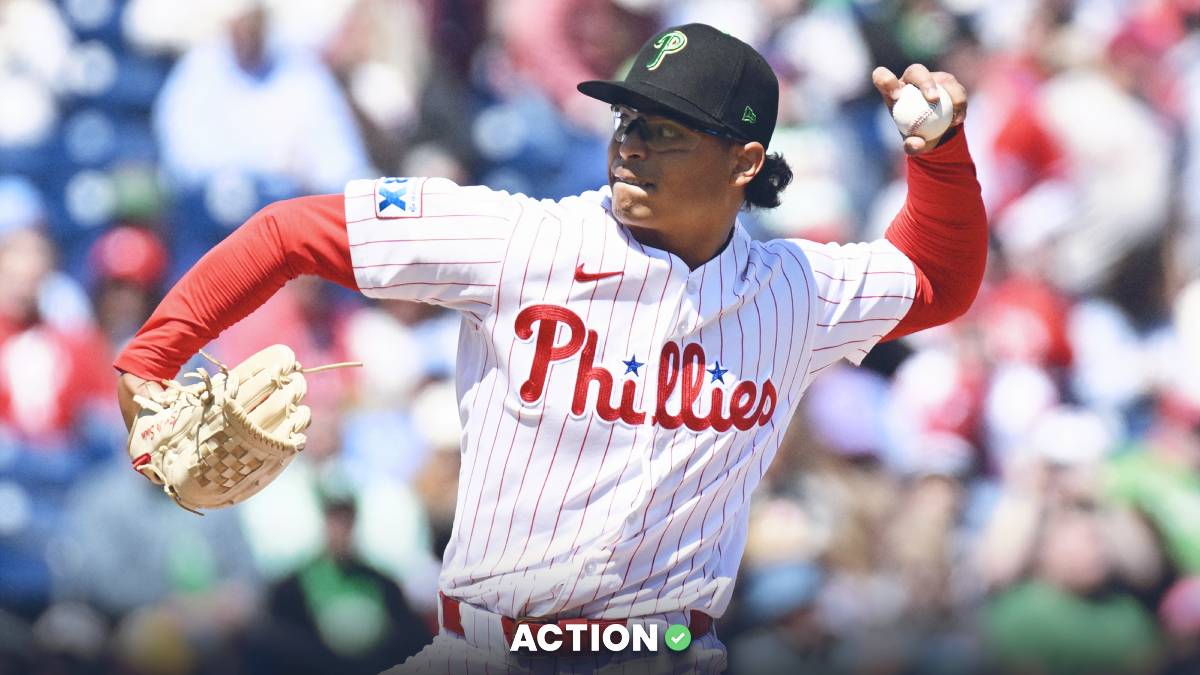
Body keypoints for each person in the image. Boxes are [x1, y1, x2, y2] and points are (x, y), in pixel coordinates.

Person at [115, 23, 985, 674]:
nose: (631, 146)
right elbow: (289, 232)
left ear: (744, 161)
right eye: (626, 122)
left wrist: (940, 158)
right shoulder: (516, 239)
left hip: (665, 650)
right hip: (484, 646)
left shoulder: (796, 291)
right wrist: (149, 359)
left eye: (664, 131)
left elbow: (938, 281)